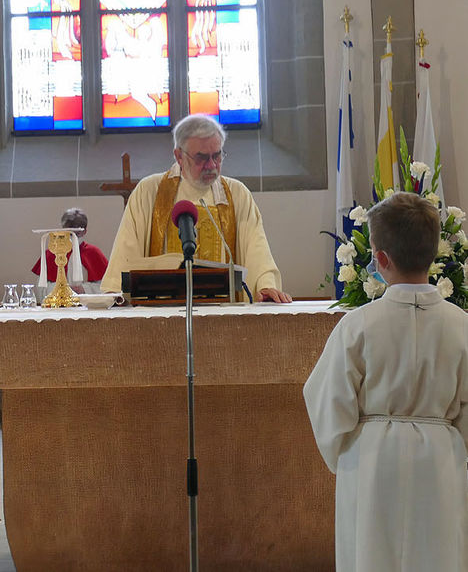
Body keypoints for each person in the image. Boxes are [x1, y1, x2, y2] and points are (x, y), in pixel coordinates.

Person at [304, 192, 468, 570]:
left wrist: (347, 451)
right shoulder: (461, 326)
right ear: (434, 253)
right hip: (440, 462)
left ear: (380, 258)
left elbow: (328, 401)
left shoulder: (358, 325)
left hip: (373, 462)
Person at [101, 114, 290, 302]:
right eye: (201, 158)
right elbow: (126, 254)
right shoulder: (149, 191)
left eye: (217, 156)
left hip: (225, 317)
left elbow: (256, 249)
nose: (211, 165)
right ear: (179, 156)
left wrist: (265, 285)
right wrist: (115, 293)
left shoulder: (237, 194)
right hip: (161, 318)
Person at [32, 207, 109, 283]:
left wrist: (84, 289)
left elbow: (104, 286)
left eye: (76, 233)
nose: (73, 237)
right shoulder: (51, 253)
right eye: (69, 232)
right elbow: (41, 287)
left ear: (84, 231)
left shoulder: (94, 253)